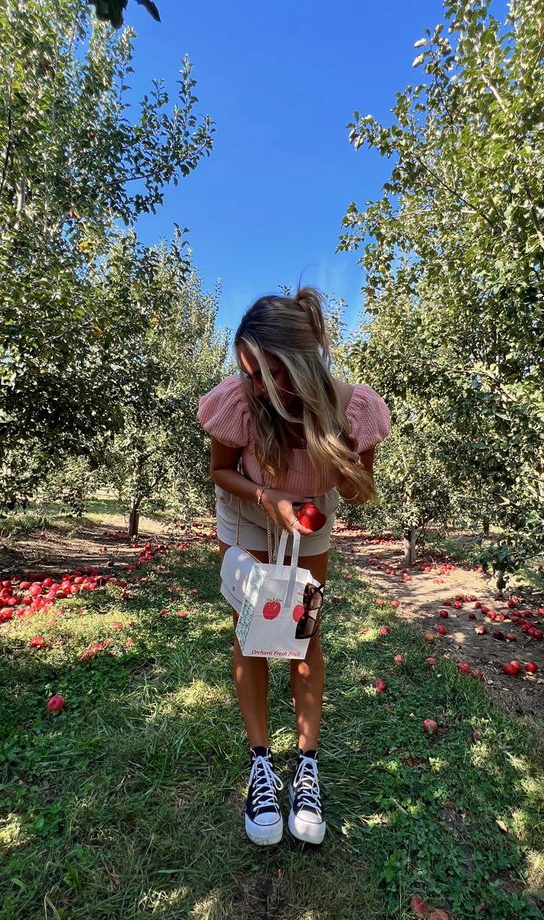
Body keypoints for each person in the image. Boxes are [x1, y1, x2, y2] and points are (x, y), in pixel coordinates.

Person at [197, 286, 390, 846]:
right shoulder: (239, 401)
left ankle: (306, 767)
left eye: (267, 373)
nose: (255, 386)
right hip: (251, 511)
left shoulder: (352, 407)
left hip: (308, 519)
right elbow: (221, 472)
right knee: (255, 630)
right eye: (248, 372)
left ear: (304, 363)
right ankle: (261, 762)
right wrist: (267, 498)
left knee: (303, 633)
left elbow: (357, 492)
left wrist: (345, 468)